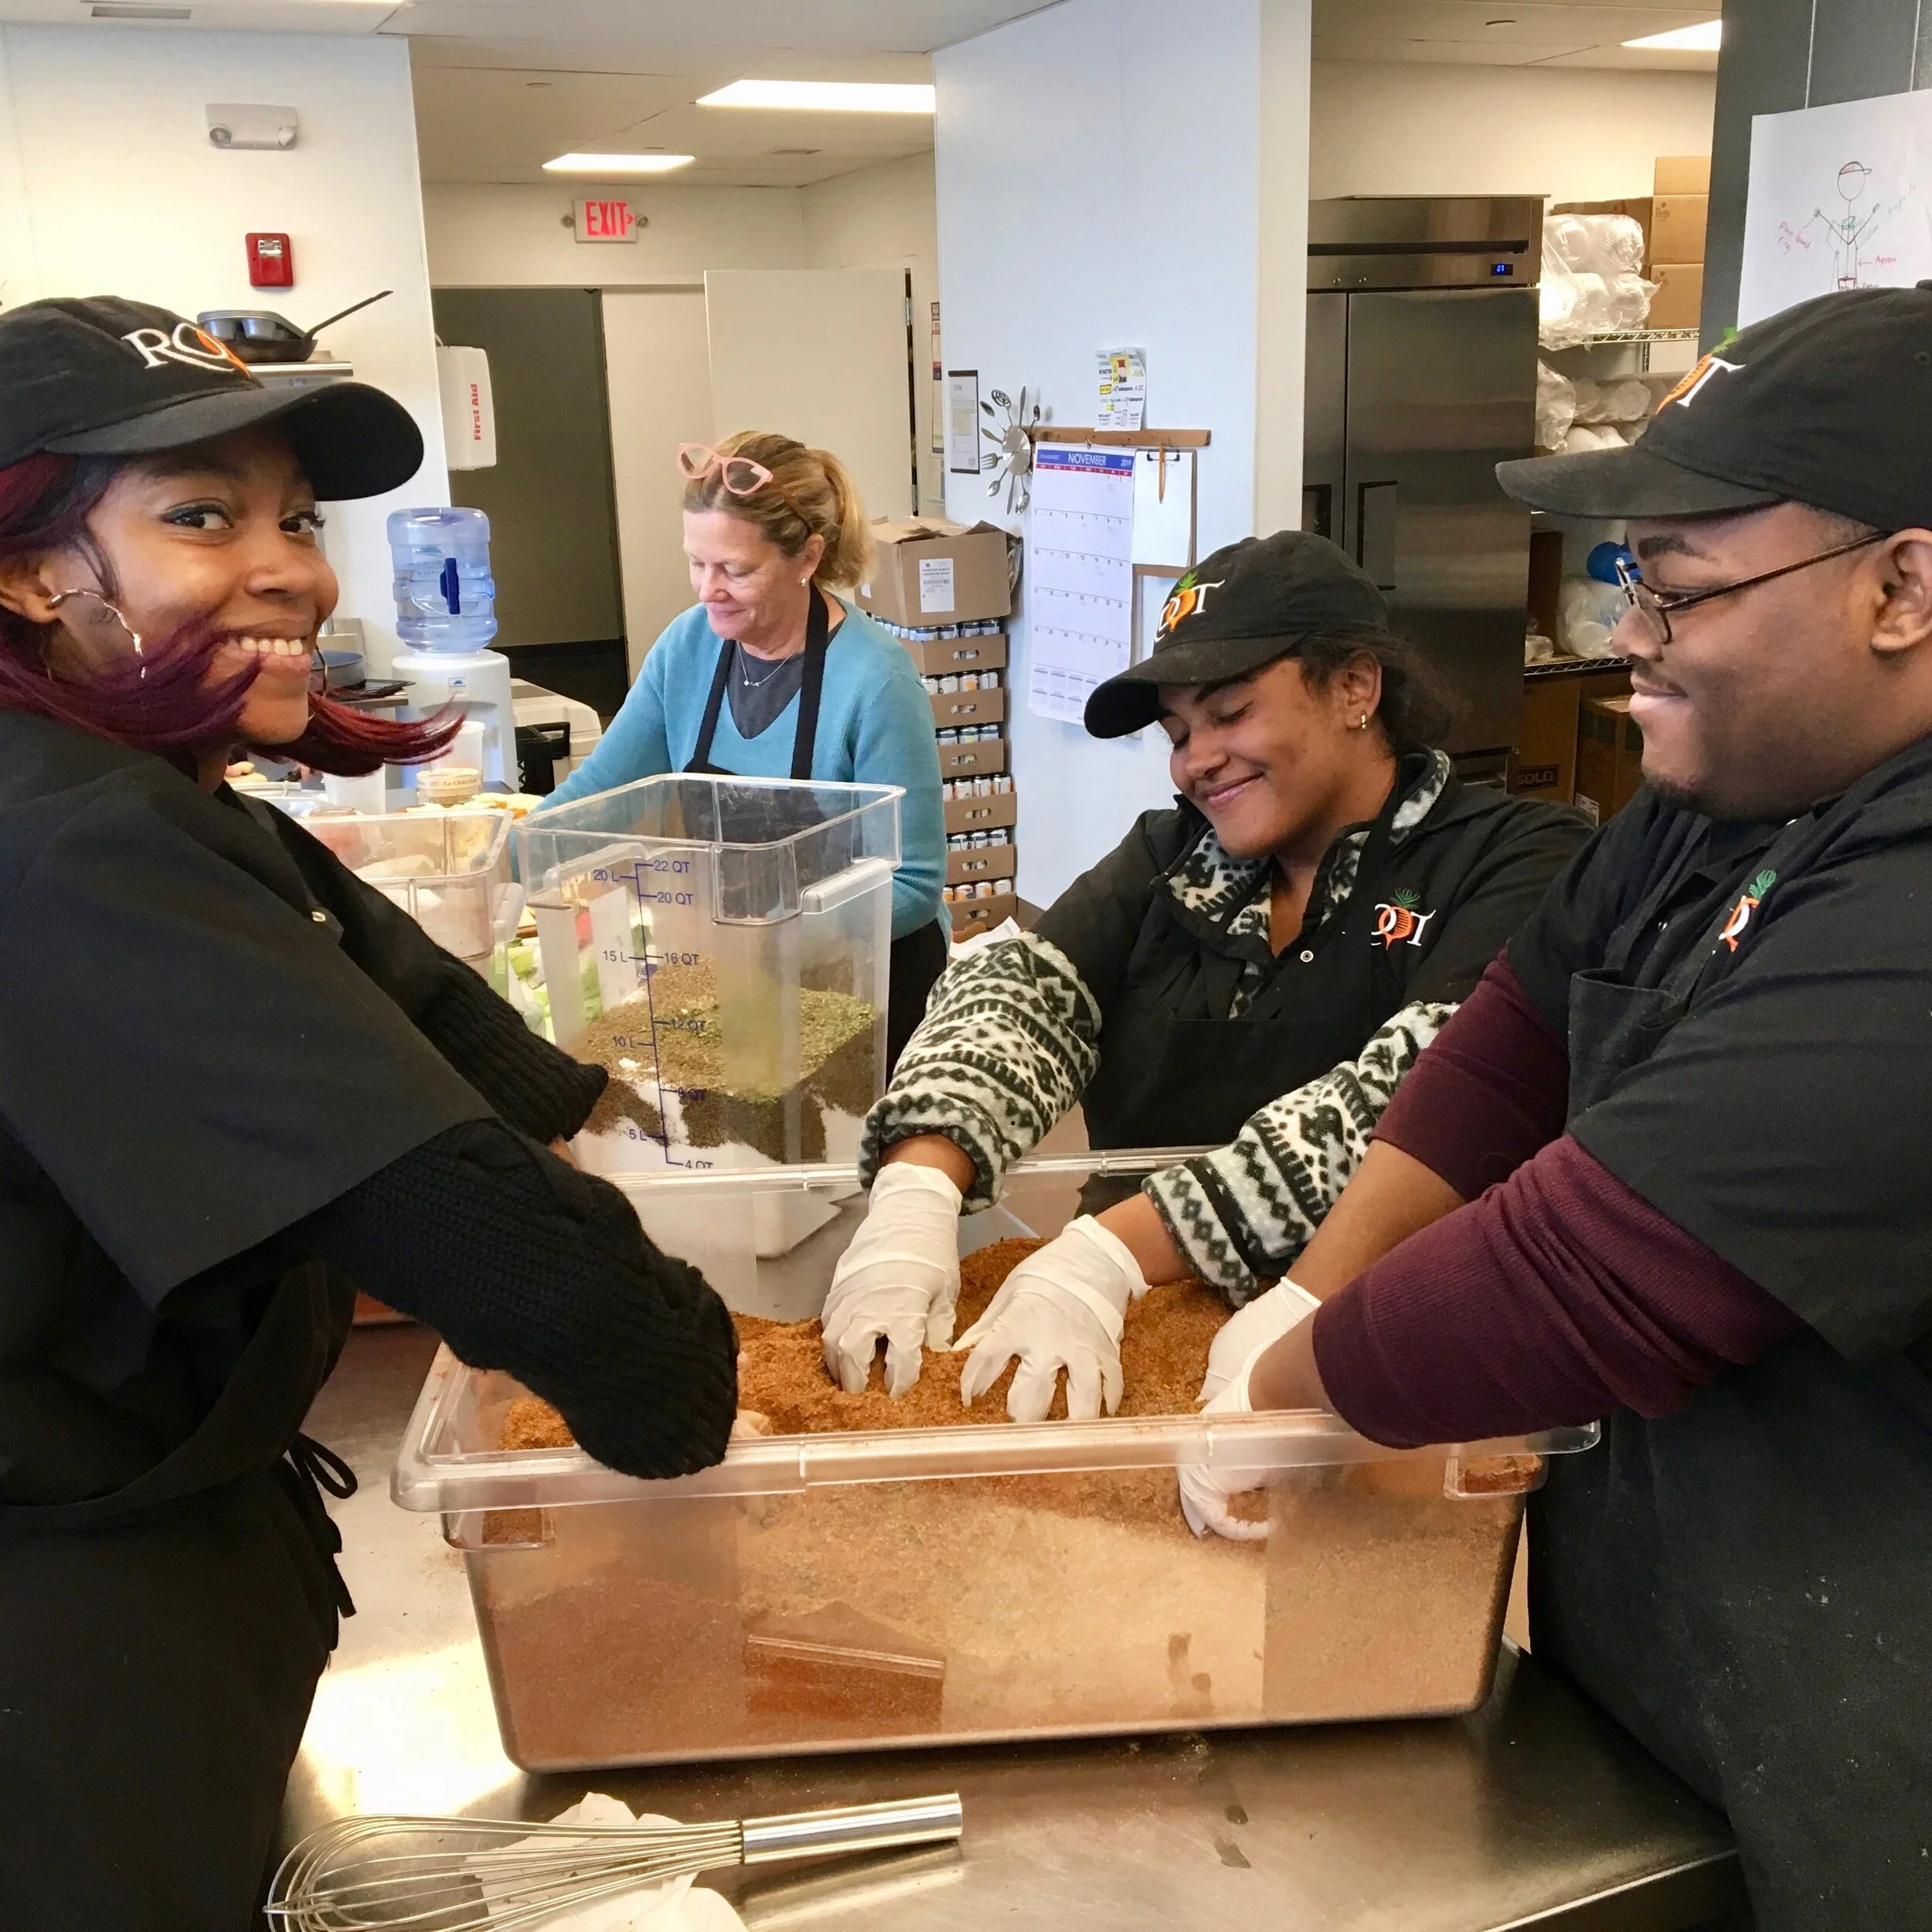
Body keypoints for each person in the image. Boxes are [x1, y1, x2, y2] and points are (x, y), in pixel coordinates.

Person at [1182, 287, 1932, 1931]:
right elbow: (1521, 1026)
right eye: (1627, 583)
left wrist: (1286, 1386)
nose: (1624, 642)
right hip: (1677, 1667)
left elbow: (1601, 1267)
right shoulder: (1729, 790)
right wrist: (1314, 1286)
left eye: (1673, 592)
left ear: (1900, 586)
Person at [0, 297, 740, 1932]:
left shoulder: (162, 803)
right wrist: (682, 1353)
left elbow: (415, 1002)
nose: (294, 569)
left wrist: (637, 1151)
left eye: (296, 517)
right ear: (30, 569)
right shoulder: (58, 844)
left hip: (173, 1574)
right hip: (60, 1661)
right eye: (201, 512)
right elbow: (576, 1314)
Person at [821, 529, 1588, 1418]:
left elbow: (1414, 1102)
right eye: (1179, 733)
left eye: (1230, 714)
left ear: (1354, 688)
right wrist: (917, 1192)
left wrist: (1104, 1255)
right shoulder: (1170, 858)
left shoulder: (1515, 861)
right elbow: (1018, 998)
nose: (1196, 761)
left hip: (1352, 1345)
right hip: (1105, 1332)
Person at [538, 432, 947, 1068]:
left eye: (735, 569)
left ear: (808, 557)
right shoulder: (687, 649)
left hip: (862, 988)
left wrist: (766, 940)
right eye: (696, 563)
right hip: (733, 977)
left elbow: (915, 885)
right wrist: (502, 861)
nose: (708, 590)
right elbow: (600, 797)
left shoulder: (876, 681)